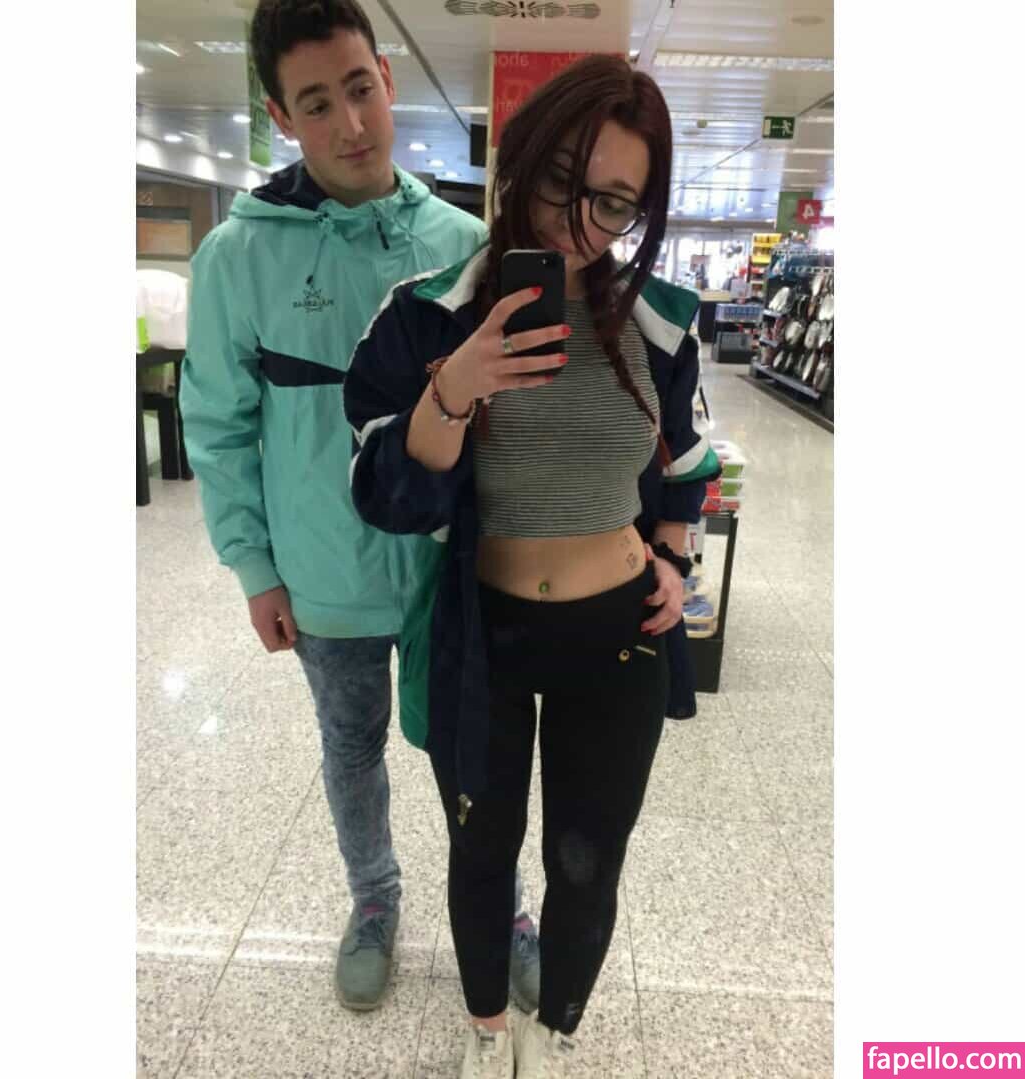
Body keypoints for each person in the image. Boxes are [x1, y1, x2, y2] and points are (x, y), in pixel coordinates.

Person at [344, 55, 719, 1077]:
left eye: (615, 203)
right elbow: (383, 493)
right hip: (485, 635)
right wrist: (454, 388)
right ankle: (485, 1031)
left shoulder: (662, 321)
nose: (579, 222)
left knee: (587, 861)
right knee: (482, 847)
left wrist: (673, 554)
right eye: (562, 180)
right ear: (520, 159)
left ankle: (555, 1031)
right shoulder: (429, 315)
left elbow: (688, 463)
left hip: (620, 635)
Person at [179, 0, 540, 1014]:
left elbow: (511, 424)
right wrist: (255, 569)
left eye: (358, 89)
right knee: (350, 748)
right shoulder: (238, 259)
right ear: (279, 115)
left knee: (479, 750)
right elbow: (218, 427)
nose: (349, 125)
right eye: (314, 103)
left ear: (385, 77)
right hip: (322, 574)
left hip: (446, 571)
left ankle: (505, 906)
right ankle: (374, 898)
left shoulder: (465, 242)